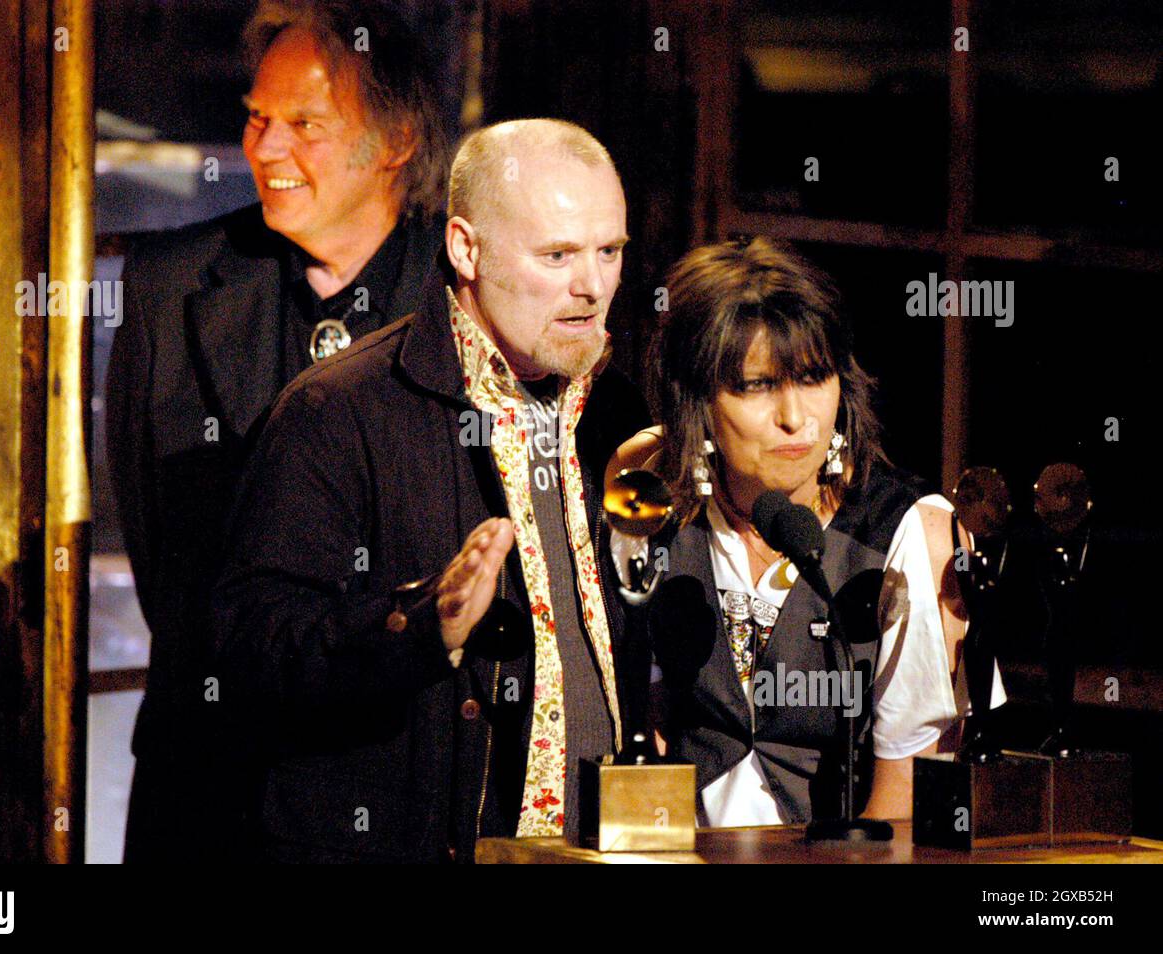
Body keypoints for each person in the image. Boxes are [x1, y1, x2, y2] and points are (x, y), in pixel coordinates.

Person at [211, 118, 650, 862]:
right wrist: (419, 625)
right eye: (558, 255)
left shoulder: (618, 412)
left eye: (609, 252)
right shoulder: (342, 411)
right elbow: (249, 649)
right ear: (464, 248)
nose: (592, 285)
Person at [104, 0, 448, 862]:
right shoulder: (167, 288)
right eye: (257, 118)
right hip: (208, 792)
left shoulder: (463, 302)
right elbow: (162, 556)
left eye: (305, 123)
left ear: (397, 140)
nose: (264, 148)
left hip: (397, 796)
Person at [609, 237, 1005, 825]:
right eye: (757, 385)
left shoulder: (909, 533)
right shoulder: (653, 500)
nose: (796, 419)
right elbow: (645, 725)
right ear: (697, 400)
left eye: (815, 378)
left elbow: (909, 805)